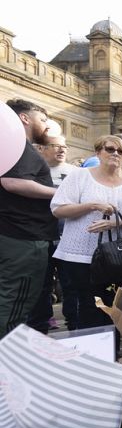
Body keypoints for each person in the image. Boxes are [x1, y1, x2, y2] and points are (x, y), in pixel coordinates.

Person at [51, 135, 122, 329]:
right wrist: (92, 205)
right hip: (80, 254)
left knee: (115, 303)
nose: (115, 154)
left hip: (120, 256)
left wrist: (113, 223)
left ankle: (114, 351)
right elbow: (58, 209)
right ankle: (91, 351)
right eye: (110, 149)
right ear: (98, 152)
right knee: (87, 303)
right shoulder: (79, 176)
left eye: (121, 152)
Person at [0, 99, 58, 338]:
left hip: (14, 234)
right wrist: (60, 193)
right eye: (43, 119)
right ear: (24, 118)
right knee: (15, 303)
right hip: (23, 238)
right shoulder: (20, 146)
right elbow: (12, 182)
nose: (47, 126)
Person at [30, 134, 76, 332]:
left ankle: (76, 328)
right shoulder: (32, 170)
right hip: (41, 237)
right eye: (55, 146)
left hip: (70, 240)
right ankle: (40, 331)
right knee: (41, 287)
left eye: (64, 146)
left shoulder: (76, 172)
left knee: (72, 287)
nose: (62, 150)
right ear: (40, 148)